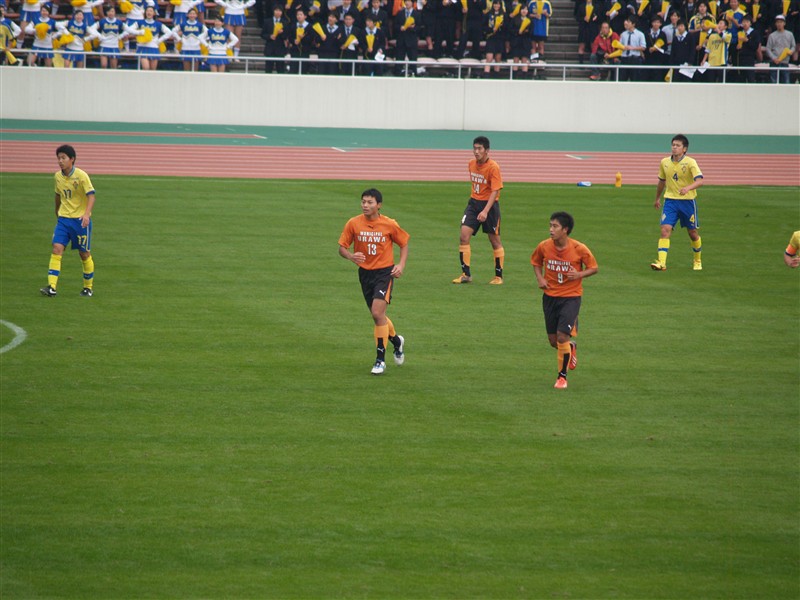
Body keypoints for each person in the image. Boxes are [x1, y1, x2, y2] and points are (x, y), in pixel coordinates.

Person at [338, 188, 409, 375]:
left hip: (384, 273)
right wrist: (351, 256)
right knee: (378, 316)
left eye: (369, 202)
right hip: (365, 274)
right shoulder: (353, 223)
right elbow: (342, 248)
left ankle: (380, 360)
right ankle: (397, 341)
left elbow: (403, 243)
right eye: (363, 202)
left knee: (377, 313)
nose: (365, 205)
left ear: (379, 205)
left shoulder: (389, 224)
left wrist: (401, 265)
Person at [531, 211, 598, 390]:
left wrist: (579, 274)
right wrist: (540, 278)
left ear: (565, 230)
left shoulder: (579, 248)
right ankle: (571, 347)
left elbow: (594, 268)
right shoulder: (544, 246)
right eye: (550, 226)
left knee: (562, 336)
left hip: (571, 298)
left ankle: (562, 377)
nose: (551, 230)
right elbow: (536, 262)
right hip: (550, 297)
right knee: (554, 341)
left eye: (555, 226)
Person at [40, 145, 96, 298]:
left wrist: (86, 215)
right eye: (58, 158)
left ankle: (88, 288)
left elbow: (91, 196)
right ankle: (52, 287)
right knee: (57, 248)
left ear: (72, 159)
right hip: (64, 220)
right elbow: (58, 195)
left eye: (63, 158)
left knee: (84, 254)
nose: (60, 161)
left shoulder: (81, 176)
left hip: (80, 221)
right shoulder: (57, 177)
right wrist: (57, 212)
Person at [453, 135, 505, 285]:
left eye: (479, 149)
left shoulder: (493, 167)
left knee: (494, 240)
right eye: (474, 148)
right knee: (464, 236)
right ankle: (466, 274)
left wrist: (485, 211)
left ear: (487, 150)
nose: (476, 151)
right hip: (474, 204)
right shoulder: (471, 164)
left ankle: (498, 276)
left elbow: (495, 191)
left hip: (490, 206)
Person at [650, 134, 704, 271]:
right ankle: (661, 263)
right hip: (670, 202)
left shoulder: (691, 162)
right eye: (673, 145)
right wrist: (657, 198)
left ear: (684, 149)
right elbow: (661, 181)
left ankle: (697, 260)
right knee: (665, 230)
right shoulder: (664, 162)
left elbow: (700, 181)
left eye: (678, 145)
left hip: (687, 203)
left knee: (692, 233)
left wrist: (688, 188)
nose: (674, 147)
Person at [173, 6, 207, 71]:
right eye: (190, 14)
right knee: (186, 70)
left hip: (196, 48)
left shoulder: (199, 25)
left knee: (195, 70)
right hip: (185, 48)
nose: (192, 15)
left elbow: (207, 32)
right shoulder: (183, 24)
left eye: (194, 14)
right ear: (187, 15)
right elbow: (173, 31)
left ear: (196, 15)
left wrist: (201, 38)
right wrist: (179, 39)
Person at [765, 14, 796, 83]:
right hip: (774, 62)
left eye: (781, 22)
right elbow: (768, 48)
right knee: (774, 82)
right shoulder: (772, 35)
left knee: (786, 81)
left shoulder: (790, 34)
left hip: (785, 62)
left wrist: (791, 51)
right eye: (777, 22)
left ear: (784, 23)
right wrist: (774, 58)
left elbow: (793, 46)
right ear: (775, 24)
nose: (779, 24)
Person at [619, 15, 646, 79]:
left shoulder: (640, 34)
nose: (627, 23)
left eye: (629, 22)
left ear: (633, 24)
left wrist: (632, 48)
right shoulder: (623, 34)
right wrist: (622, 47)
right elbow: (620, 45)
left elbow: (643, 47)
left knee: (635, 78)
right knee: (622, 78)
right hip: (624, 58)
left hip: (635, 58)